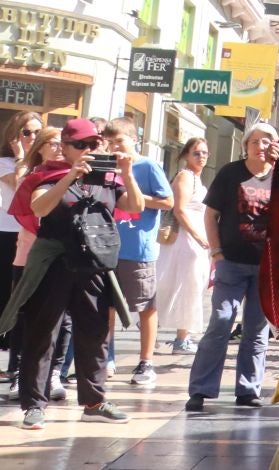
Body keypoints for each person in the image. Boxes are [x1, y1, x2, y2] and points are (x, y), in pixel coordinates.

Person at [3, 117, 146, 427]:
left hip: (93, 264)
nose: (88, 149)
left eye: (94, 144)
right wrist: (70, 176)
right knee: (43, 333)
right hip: (55, 264)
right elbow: (39, 208)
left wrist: (127, 173)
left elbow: (135, 206)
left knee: (95, 334)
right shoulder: (48, 174)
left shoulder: (108, 178)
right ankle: (34, 404)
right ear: (65, 147)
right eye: (80, 144)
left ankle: (94, 401)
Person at [185, 121, 278, 411]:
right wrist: (217, 253)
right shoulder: (230, 173)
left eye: (267, 141)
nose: (261, 146)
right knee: (221, 322)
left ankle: (249, 389)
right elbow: (210, 215)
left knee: (256, 330)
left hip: (265, 266)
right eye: (255, 141)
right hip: (231, 263)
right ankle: (200, 389)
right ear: (245, 145)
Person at [103, 118, 171, 389]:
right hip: (107, 247)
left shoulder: (148, 166)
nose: (114, 147)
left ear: (134, 140)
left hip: (138, 249)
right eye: (109, 142)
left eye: (119, 141)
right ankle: (106, 356)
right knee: (106, 305)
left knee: (145, 306)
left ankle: (146, 361)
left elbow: (168, 201)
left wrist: (136, 198)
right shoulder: (106, 166)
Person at [7, 126, 64, 394]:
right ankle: (20, 372)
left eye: (63, 143)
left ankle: (54, 373)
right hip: (29, 253)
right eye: (53, 143)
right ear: (40, 148)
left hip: (61, 256)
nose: (60, 148)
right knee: (25, 313)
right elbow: (29, 213)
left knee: (63, 319)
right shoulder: (32, 176)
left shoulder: (74, 176)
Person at [155, 137, 210, 354]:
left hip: (194, 238)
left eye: (204, 152)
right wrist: (198, 237)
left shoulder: (196, 178)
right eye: (196, 152)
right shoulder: (185, 177)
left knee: (186, 286)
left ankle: (169, 330)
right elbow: (179, 210)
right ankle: (180, 338)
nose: (201, 156)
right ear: (186, 155)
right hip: (185, 240)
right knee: (186, 286)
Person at [0, 108, 43, 380]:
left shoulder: (44, 163)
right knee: (5, 294)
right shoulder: (6, 162)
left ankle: (18, 361)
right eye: (27, 132)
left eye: (38, 132)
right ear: (15, 136)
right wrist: (20, 157)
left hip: (33, 236)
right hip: (6, 233)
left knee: (26, 298)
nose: (32, 137)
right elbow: (20, 187)